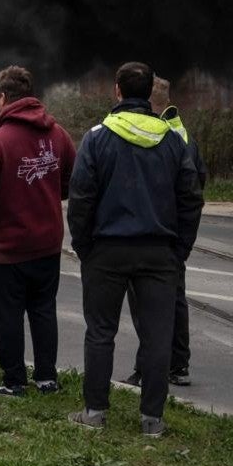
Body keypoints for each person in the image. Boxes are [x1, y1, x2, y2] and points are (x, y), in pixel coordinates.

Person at [67, 62, 203, 437]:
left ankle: (94, 413)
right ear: (147, 95)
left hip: (106, 251)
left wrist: (84, 246)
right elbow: (191, 199)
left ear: (117, 92)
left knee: (100, 332)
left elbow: (80, 198)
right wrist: (180, 250)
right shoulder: (174, 140)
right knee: (158, 336)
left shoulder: (97, 137)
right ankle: (152, 422)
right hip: (159, 254)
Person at [0, 66, 76, 397]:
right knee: (44, 311)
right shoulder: (59, 136)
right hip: (46, 245)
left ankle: (14, 381)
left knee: (8, 314)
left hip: (5, 250)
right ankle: (46, 378)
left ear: (2, 97)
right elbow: (72, 179)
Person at [123, 76, 209, 389]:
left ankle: (148, 369)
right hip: (172, 235)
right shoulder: (183, 133)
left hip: (152, 232)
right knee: (175, 300)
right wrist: (184, 241)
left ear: (150, 101)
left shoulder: (153, 134)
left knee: (146, 306)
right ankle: (178, 365)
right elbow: (198, 186)